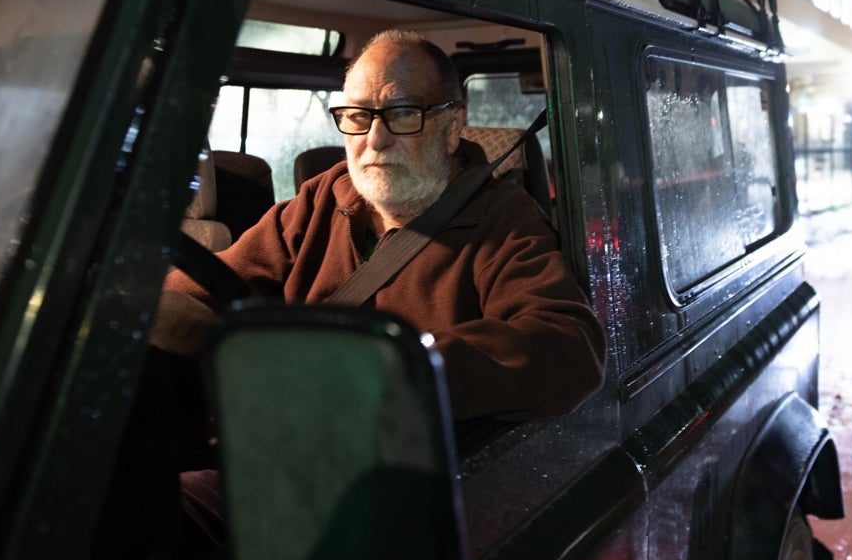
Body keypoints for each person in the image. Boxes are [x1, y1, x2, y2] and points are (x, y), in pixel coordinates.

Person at [157, 29, 606, 421]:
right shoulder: (322, 198)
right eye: (357, 116)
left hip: (399, 476)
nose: (374, 139)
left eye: (403, 113)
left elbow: (567, 348)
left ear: (452, 127)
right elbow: (202, 288)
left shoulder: (501, 217)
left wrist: (379, 369)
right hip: (283, 444)